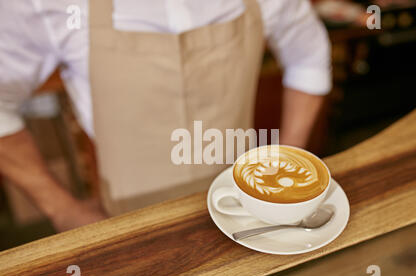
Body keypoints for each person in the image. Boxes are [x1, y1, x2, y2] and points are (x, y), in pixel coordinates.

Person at [0, 0, 331, 232]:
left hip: (247, 211)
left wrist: (287, 165)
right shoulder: (48, 5)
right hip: (127, 223)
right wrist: (63, 210)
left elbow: (309, 55)